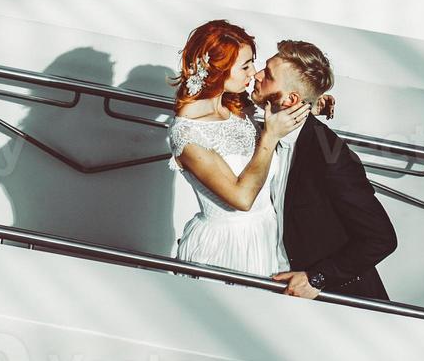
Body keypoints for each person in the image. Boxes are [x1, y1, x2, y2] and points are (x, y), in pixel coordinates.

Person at [254, 39, 398, 301]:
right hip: (273, 281)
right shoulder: (269, 127)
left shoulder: (332, 158)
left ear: (291, 99)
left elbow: (381, 238)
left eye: (268, 75)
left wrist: (316, 278)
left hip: (335, 299)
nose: (257, 75)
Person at [167, 20, 307, 277]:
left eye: (253, 62)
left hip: (266, 235)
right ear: (216, 69)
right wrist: (270, 137)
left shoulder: (236, 106)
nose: (253, 73)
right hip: (225, 249)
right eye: (245, 66)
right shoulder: (187, 135)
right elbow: (242, 199)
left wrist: (315, 100)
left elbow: (281, 100)